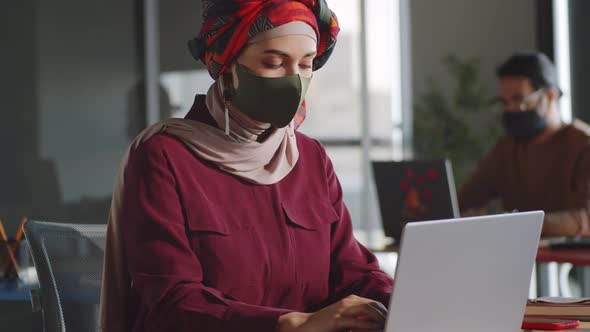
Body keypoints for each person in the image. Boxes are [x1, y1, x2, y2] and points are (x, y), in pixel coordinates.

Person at [100, 1, 393, 332]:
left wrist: (397, 300)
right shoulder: (164, 157)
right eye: (273, 62)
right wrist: (291, 325)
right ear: (227, 64)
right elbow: (172, 303)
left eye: (306, 64)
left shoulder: (310, 158)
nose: (294, 80)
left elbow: (352, 270)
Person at [459, 52, 590, 236]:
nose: (511, 109)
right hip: (520, 258)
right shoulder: (506, 149)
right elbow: (464, 201)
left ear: (550, 96)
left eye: (519, 100)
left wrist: (516, 223)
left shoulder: (583, 145)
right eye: (504, 102)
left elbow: (586, 219)